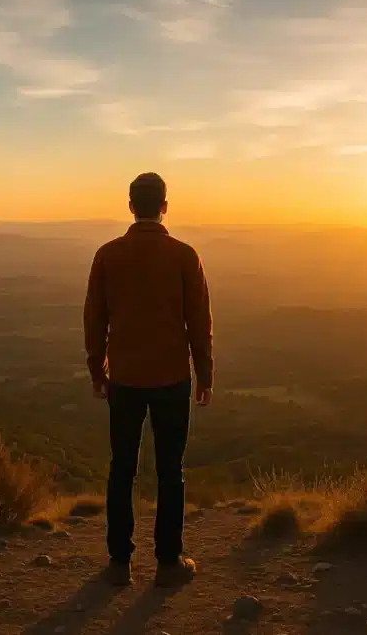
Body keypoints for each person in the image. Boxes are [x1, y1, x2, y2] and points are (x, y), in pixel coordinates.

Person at [83, 172, 214, 587]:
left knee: (121, 468)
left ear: (130, 205)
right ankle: (168, 562)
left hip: (123, 377)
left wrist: (96, 368)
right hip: (172, 377)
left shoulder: (107, 255)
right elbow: (199, 322)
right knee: (169, 470)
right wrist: (205, 373)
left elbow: (94, 319)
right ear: (164, 206)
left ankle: (119, 563)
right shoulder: (183, 255)